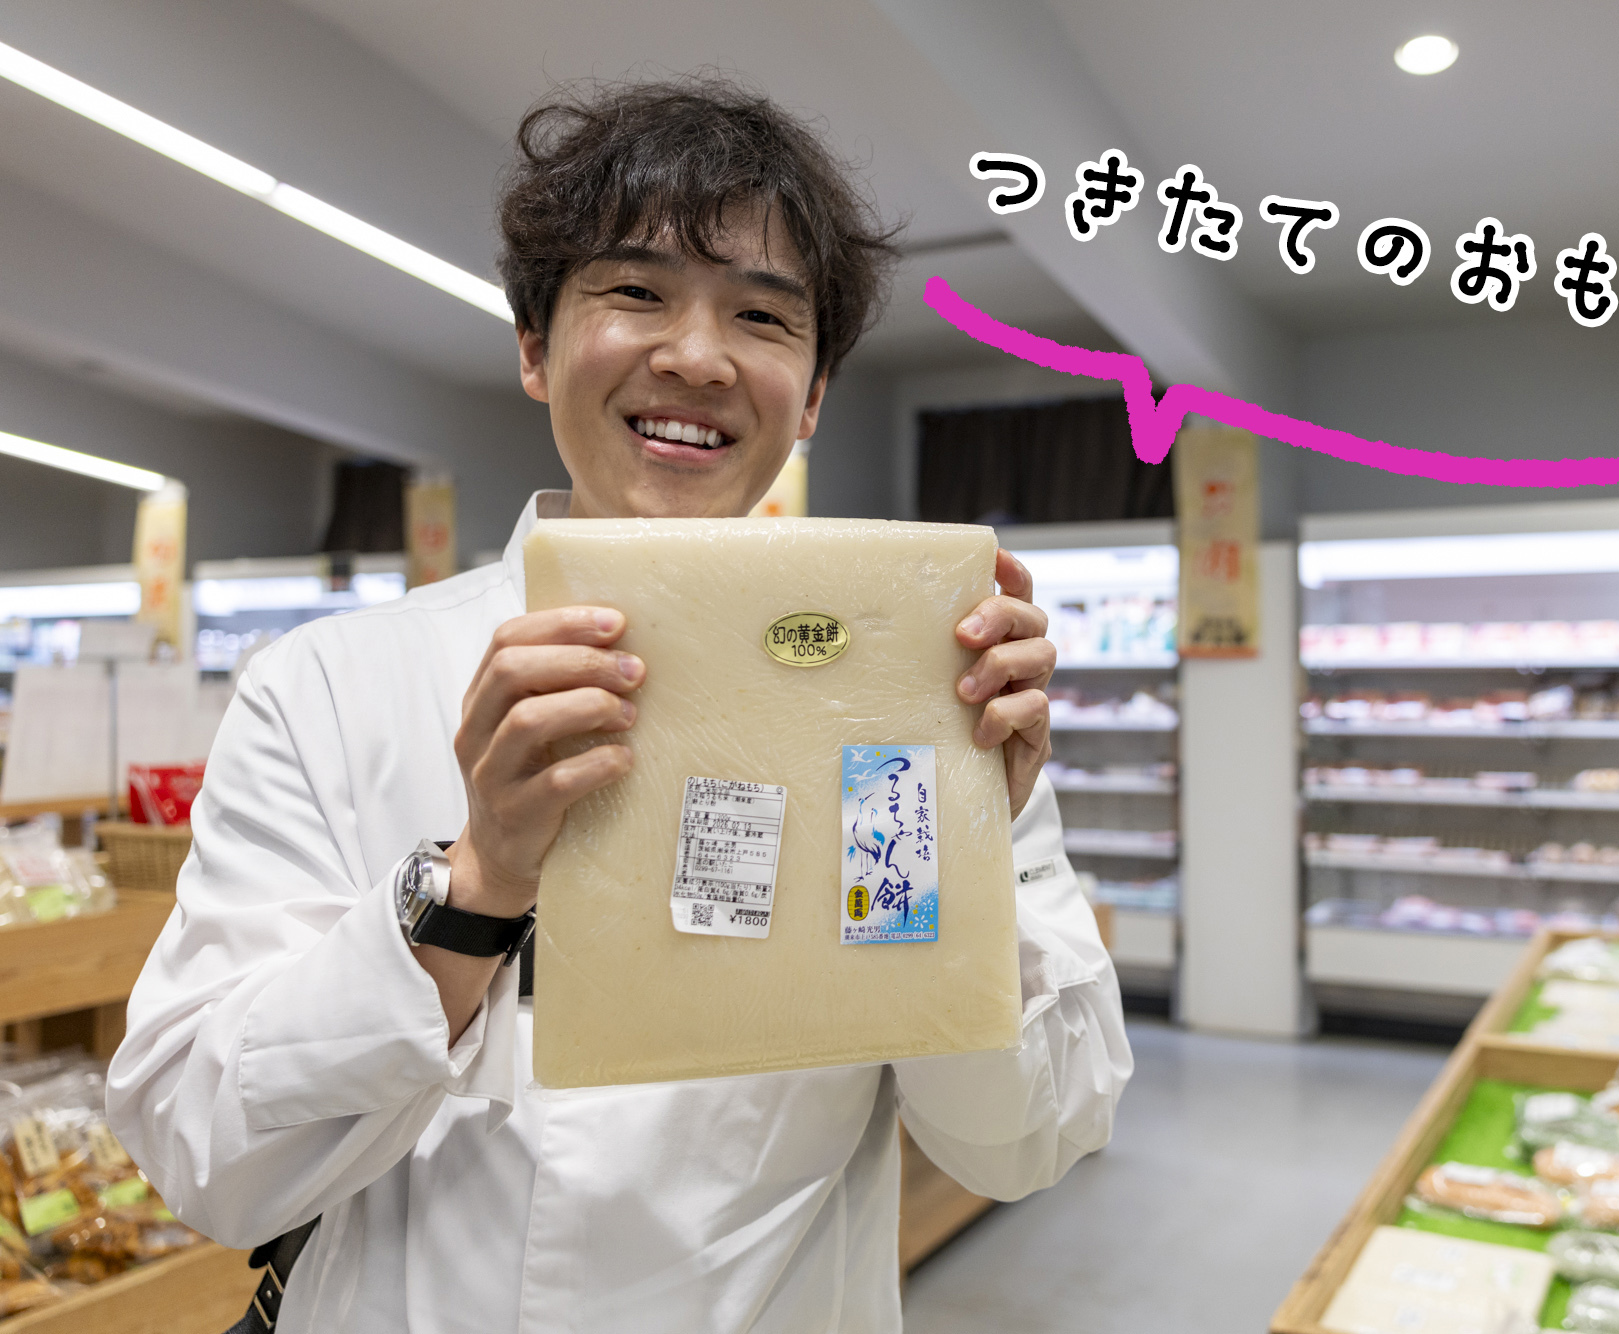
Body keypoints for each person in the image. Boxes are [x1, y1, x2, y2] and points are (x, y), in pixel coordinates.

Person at [106, 76, 1131, 1332]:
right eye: (636, 292)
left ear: (812, 394)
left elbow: (1025, 1139)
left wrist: (956, 853)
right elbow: (202, 1153)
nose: (696, 356)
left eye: (761, 314)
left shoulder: (922, 696)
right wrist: (476, 883)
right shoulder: (331, 686)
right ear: (535, 346)